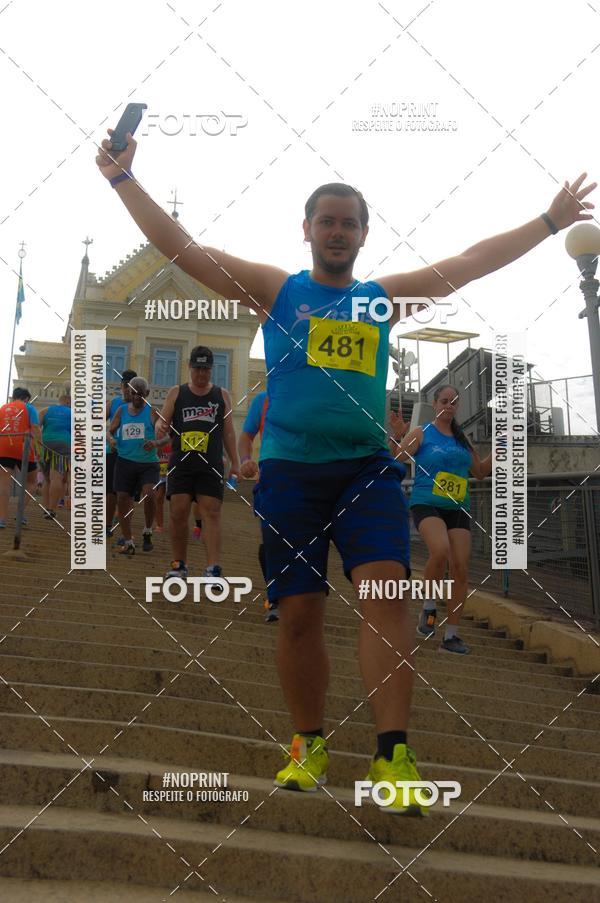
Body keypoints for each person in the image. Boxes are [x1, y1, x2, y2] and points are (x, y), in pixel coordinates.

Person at [96, 127, 594, 814]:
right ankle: (308, 741)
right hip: (290, 475)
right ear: (306, 229)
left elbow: (468, 262)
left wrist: (548, 222)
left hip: (367, 472)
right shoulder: (278, 290)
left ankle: (393, 752)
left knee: (386, 594)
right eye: (326, 221)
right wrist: (124, 180)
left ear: (364, 234)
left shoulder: (379, 299)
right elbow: (185, 250)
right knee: (299, 614)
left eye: (349, 223)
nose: (337, 231)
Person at [391, 386, 492, 654]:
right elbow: (395, 459)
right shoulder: (422, 433)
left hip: (458, 506)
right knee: (441, 550)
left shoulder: (462, 439)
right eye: (444, 401)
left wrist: (502, 450)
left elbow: (480, 472)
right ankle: (428, 606)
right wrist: (399, 433)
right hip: (427, 503)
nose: (449, 405)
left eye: (454, 402)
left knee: (460, 568)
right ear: (434, 404)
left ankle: (450, 637)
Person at [154, 346, 240, 581]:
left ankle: (213, 568)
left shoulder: (221, 395)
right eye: (198, 369)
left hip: (210, 464)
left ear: (211, 370)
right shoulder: (176, 393)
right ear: (190, 368)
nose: (201, 374)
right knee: (178, 512)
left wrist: (235, 462)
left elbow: (229, 433)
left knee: (211, 512)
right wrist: (159, 428)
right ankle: (179, 564)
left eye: (206, 369)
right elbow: (162, 422)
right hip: (182, 463)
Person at [109, 377, 163, 555]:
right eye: (134, 393)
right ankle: (129, 540)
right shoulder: (121, 410)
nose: (137, 397)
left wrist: (155, 443)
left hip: (148, 464)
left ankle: (147, 530)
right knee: (123, 498)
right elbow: (109, 431)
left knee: (149, 494)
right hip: (124, 462)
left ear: (147, 394)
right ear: (129, 393)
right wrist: (111, 440)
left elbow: (168, 435)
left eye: (141, 394)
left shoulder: (152, 412)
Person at [238, 390, 277, 623]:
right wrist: (245, 460)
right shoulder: (262, 400)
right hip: (271, 482)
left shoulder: (311, 393)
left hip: (309, 483)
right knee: (271, 540)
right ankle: (275, 596)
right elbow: (246, 436)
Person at [0, 387, 40, 528]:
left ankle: (2, 519)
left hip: (4, 446)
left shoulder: (3, 408)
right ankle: (19, 513)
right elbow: (35, 427)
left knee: (4, 484)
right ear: (26, 398)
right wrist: (38, 448)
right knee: (32, 481)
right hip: (24, 446)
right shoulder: (29, 407)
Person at [106, 369, 137, 538]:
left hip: (132, 454)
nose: (127, 389)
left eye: (131, 386)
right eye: (125, 385)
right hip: (112, 451)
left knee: (127, 494)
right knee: (110, 492)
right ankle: (107, 525)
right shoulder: (113, 403)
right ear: (121, 386)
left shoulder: (141, 405)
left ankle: (126, 531)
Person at [39, 394, 71, 521]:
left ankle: (46, 508)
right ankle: (52, 510)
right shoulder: (74, 413)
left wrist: (37, 445)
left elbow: (36, 426)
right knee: (56, 476)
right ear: (68, 402)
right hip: (63, 444)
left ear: (59, 401)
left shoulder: (45, 410)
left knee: (47, 479)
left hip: (45, 443)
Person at [154, 439, 172, 533]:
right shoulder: (156, 435)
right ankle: (159, 525)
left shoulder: (175, 434)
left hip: (172, 471)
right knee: (159, 497)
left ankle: (175, 524)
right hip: (160, 471)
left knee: (173, 499)